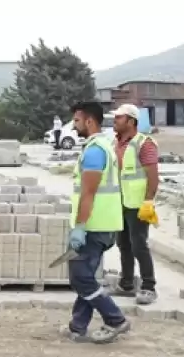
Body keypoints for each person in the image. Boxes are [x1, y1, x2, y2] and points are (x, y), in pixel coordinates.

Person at [63, 101, 130, 344]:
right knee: (87, 275)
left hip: (94, 226)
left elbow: (89, 192)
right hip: (103, 223)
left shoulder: (94, 151)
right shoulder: (103, 146)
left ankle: (115, 319)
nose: (74, 125)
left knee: (81, 277)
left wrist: (80, 226)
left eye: (77, 120)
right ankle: (78, 326)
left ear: (90, 121)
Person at [110, 104, 159, 305]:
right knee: (123, 244)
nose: (114, 121)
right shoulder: (116, 143)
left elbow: (153, 177)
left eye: (118, 118)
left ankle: (149, 287)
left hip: (138, 203)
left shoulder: (144, 143)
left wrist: (148, 201)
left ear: (131, 121)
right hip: (120, 202)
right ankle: (127, 283)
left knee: (139, 244)